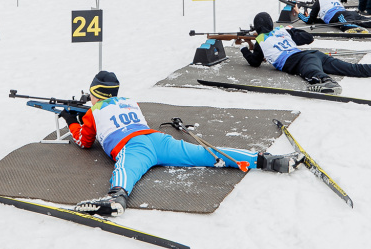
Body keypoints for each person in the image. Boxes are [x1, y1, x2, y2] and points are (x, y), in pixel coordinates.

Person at [60, 71, 302, 217]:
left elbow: (84, 141)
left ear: (94, 93)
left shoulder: (93, 112)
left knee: (126, 171)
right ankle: (267, 159)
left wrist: (72, 120)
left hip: (132, 146)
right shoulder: (129, 101)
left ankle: (116, 198)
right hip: (157, 139)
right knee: (207, 153)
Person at [240, 12, 371, 94]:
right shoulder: (281, 31)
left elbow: (255, 62)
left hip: (300, 60)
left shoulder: (261, 40)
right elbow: (308, 38)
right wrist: (291, 30)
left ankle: (327, 82)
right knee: (354, 69)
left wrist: (243, 48)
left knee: (313, 74)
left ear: (257, 28)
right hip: (313, 54)